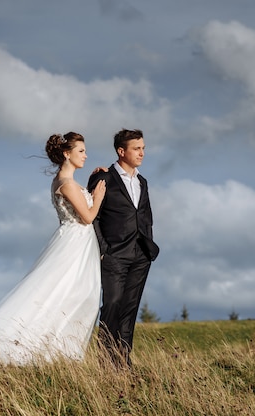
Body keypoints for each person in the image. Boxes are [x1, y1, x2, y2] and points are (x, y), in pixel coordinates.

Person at [0, 132, 106, 373]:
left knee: (71, 297)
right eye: (81, 151)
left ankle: (59, 355)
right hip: (73, 246)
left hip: (78, 245)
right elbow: (88, 216)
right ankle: (44, 352)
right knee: (62, 297)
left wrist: (95, 179)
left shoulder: (65, 180)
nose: (85, 155)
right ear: (67, 153)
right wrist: (98, 197)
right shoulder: (67, 184)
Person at [87, 128, 159, 369]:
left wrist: (148, 246)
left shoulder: (143, 182)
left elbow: (146, 216)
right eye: (137, 148)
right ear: (121, 151)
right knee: (113, 305)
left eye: (143, 148)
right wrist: (104, 249)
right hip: (114, 255)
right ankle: (106, 365)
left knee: (129, 310)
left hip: (140, 255)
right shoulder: (103, 178)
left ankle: (124, 365)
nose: (142, 153)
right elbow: (93, 216)